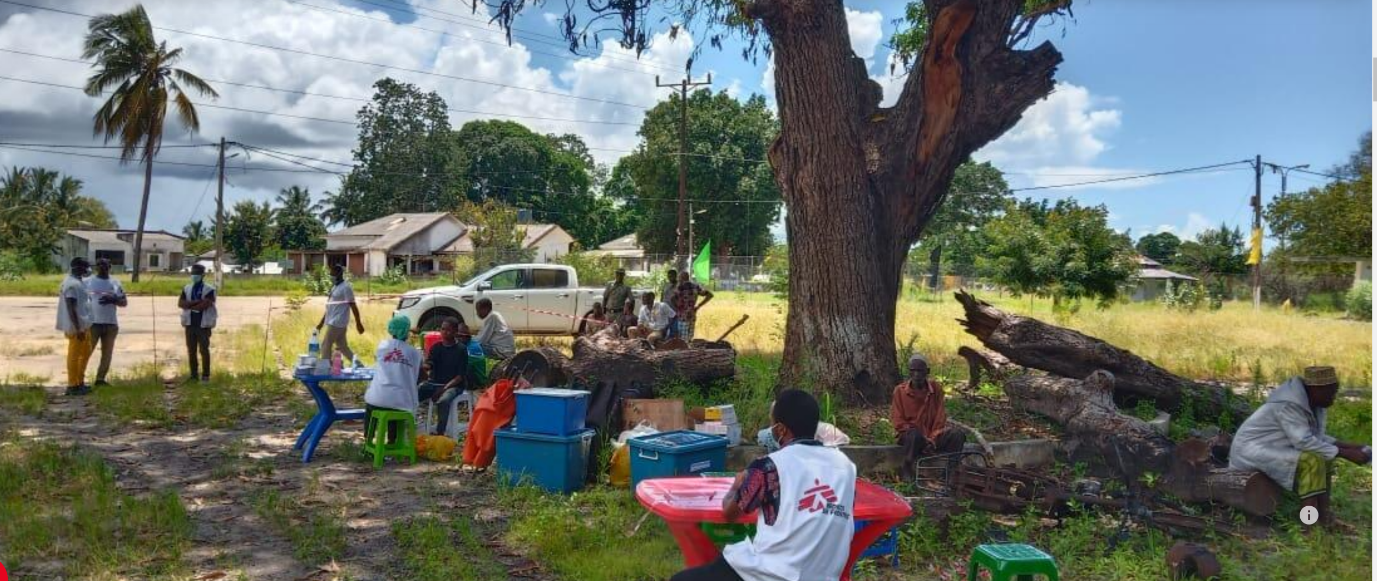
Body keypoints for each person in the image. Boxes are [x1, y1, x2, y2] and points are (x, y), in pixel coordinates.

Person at [671, 389, 857, 581]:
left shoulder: (769, 466)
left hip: (772, 574)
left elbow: (730, 513)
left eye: (772, 424)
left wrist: (736, 486)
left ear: (781, 429)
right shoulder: (846, 467)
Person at [1229, 366, 1371, 526]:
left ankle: (1324, 518)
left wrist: (1351, 447)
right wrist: (1345, 453)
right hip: (1250, 451)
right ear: (1317, 389)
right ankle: (1308, 524)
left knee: (1324, 458)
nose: (1334, 398)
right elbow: (1304, 441)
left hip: (1272, 448)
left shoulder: (1311, 402)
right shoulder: (1289, 405)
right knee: (1312, 461)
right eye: (1331, 393)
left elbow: (1314, 438)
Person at [892, 354, 967, 480]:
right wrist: (920, 436)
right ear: (909, 372)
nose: (916, 375)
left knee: (957, 435)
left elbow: (940, 416)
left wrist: (933, 437)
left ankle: (950, 472)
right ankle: (907, 467)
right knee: (914, 435)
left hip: (933, 436)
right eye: (913, 371)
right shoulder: (900, 391)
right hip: (912, 437)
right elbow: (898, 421)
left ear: (927, 372)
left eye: (920, 371)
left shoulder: (935, 389)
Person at [363, 315, 424, 445]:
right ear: (407, 331)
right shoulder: (414, 353)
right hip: (402, 401)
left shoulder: (382, 346)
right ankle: (392, 441)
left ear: (391, 330)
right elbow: (420, 377)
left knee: (372, 406)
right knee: (395, 406)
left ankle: (367, 440)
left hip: (377, 399)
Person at [418, 318, 483, 435]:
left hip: (454, 385)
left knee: (444, 400)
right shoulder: (436, 347)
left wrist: (444, 389)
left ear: (455, 332)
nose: (444, 332)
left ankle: (440, 433)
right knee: (415, 393)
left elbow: (460, 376)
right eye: (442, 329)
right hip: (435, 383)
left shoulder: (461, 350)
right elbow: (430, 363)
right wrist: (424, 366)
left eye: (448, 330)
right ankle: (411, 426)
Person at [86, 258, 128, 386]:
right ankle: (78, 379)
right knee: (86, 352)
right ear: (95, 267)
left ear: (110, 266)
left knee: (107, 354)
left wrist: (113, 299)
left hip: (110, 324)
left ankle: (100, 379)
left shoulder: (115, 282)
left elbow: (124, 302)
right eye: (99, 265)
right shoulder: (88, 282)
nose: (102, 267)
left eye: (105, 265)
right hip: (93, 323)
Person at [56, 257, 94, 396]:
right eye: (86, 267)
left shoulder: (79, 282)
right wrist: (78, 328)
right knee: (74, 355)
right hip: (76, 327)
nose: (88, 269)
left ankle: (80, 382)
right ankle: (72, 385)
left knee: (85, 353)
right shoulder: (71, 284)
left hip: (85, 325)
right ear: (77, 267)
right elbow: (71, 308)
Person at [315, 264, 364, 364]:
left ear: (338, 274)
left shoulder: (346, 287)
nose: (330, 275)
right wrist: (321, 323)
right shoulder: (335, 287)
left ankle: (326, 368)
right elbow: (330, 307)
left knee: (326, 344)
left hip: (338, 321)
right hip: (333, 321)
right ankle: (359, 365)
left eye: (332, 273)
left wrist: (358, 323)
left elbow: (353, 306)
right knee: (343, 347)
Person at [177, 264, 218, 382]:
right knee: (191, 350)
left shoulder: (210, 289)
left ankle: (205, 375)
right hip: (190, 324)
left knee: (204, 350)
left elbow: (204, 306)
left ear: (203, 275)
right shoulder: (187, 288)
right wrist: (197, 302)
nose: (194, 276)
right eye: (193, 273)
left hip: (203, 324)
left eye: (197, 274)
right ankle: (193, 375)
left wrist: (189, 304)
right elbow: (180, 303)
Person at [672, 270, 714, 341]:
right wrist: (698, 306)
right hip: (692, 314)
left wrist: (678, 307)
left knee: (682, 339)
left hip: (682, 316)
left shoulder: (680, 287)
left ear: (682, 278)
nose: (678, 279)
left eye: (679, 277)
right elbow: (710, 295)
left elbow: (672, 298)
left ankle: (684, 351)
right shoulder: (695, 286)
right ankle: (689, 350)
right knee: (689, 338)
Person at [660, 268, 680, 338]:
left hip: (675, 310)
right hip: (665, 310)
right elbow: (662, 296)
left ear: (675, 276)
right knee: (664, 328)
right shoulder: (666, 285)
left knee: (674, 329)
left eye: (672, 276)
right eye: (669, 276)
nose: (670, 278)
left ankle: (673, 344)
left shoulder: (679, 285)